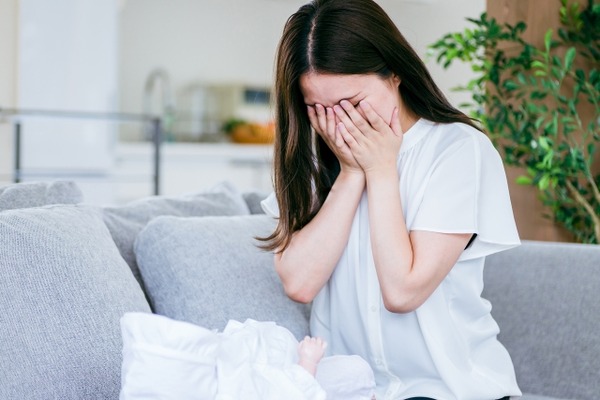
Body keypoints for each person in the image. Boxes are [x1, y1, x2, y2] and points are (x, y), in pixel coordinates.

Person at [259, 0, 523, 399]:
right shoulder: (314, 156)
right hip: (352, 389)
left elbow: (402, 292)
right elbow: (299, 282)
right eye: (318, 108)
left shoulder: (457, 150)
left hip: (448, 389)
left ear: (394, 73)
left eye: (352, 103)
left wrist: (381, 170)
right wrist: (352, 173)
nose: (340, 122)